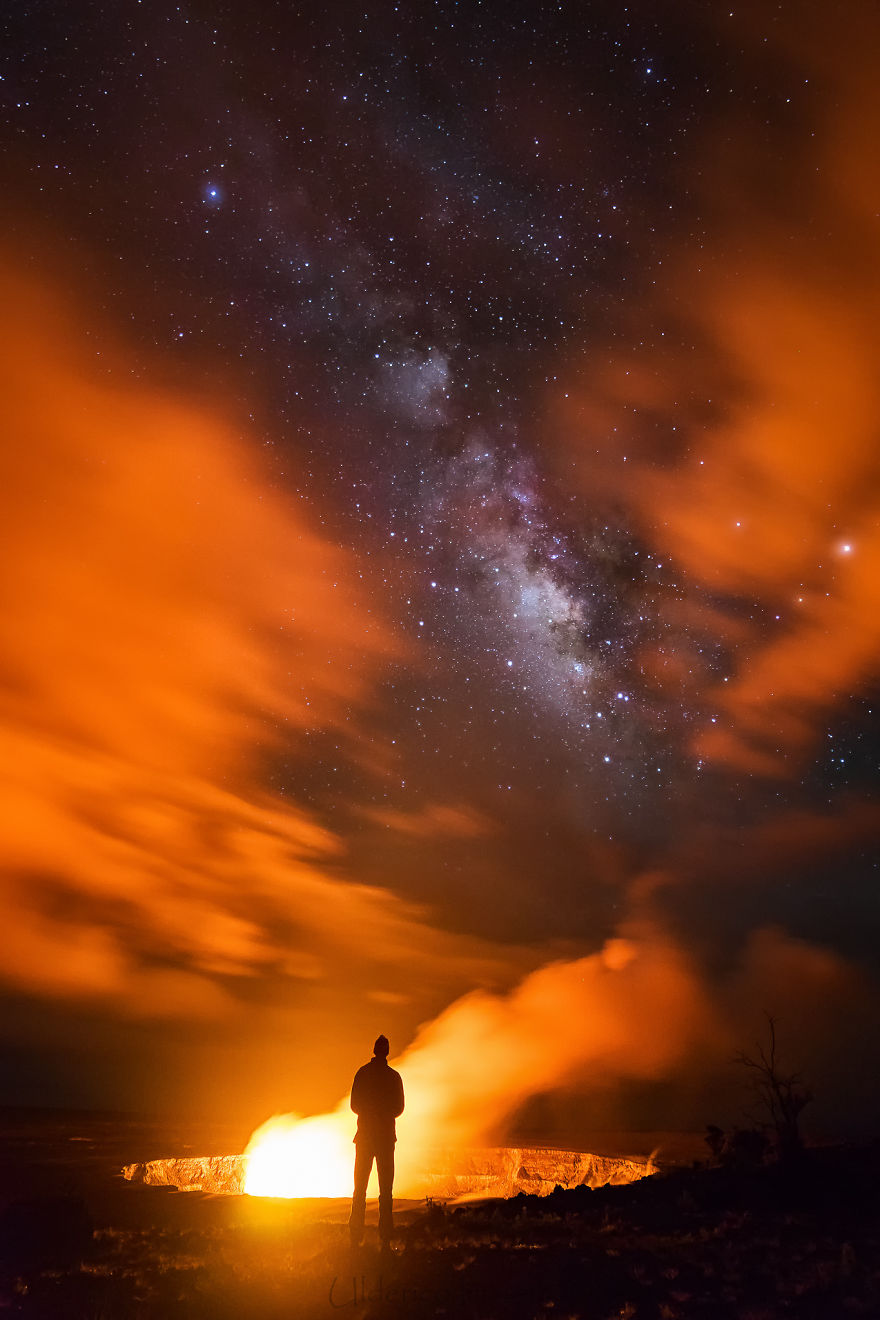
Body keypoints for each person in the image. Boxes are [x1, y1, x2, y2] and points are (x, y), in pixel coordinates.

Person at [348, 1034, 404, 1245]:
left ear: (374, 1050)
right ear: (387, 1051)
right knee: (386, 1190)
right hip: (385, 1139)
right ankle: (386, 1238)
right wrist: (384, 1114)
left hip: (364, 1138)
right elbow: (399, 1108)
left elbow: (354, 1105)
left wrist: (369, 1112)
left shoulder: (362, 1074)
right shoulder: (393, 1077)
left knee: (359, 1188)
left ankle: (355, 1237)